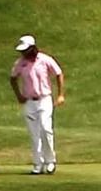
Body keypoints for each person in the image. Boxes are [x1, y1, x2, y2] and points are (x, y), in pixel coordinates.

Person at [11, 35, 66, 175]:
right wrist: (19, 95)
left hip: (44, 99)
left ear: (33, 48)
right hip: (29, 102)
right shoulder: (20, 63)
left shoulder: (45, 59)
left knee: (46, 129)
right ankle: (38, 164)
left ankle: (50, 161)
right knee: (34, 133)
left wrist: (60, 95)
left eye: (26, 50)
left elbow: (58, 74)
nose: (23, 53)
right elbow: (13, 78)